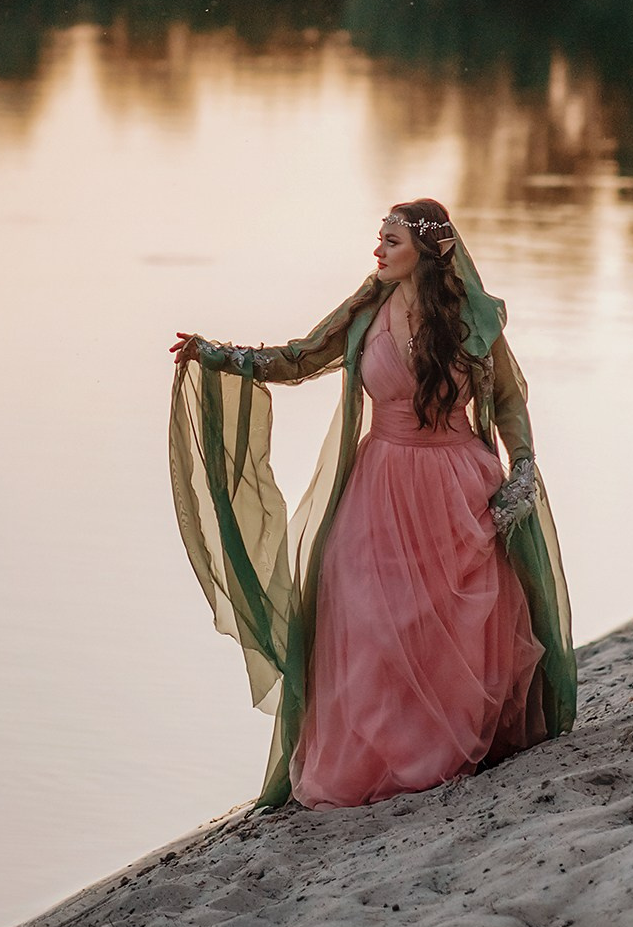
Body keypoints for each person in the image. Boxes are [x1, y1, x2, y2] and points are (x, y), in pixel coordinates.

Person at [167, 198, 576, 810]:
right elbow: (300, 358)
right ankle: (375, 754)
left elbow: (510, 399)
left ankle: (439, 746)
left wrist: (521, 464)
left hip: (458, 482)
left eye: (391, 241)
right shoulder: (367, 307)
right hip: (379, 482)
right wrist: (217, 354)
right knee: (361, 614)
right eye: (379, 239)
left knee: (447, 620)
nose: (379, 251)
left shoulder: (473, 318)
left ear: (428, 253)